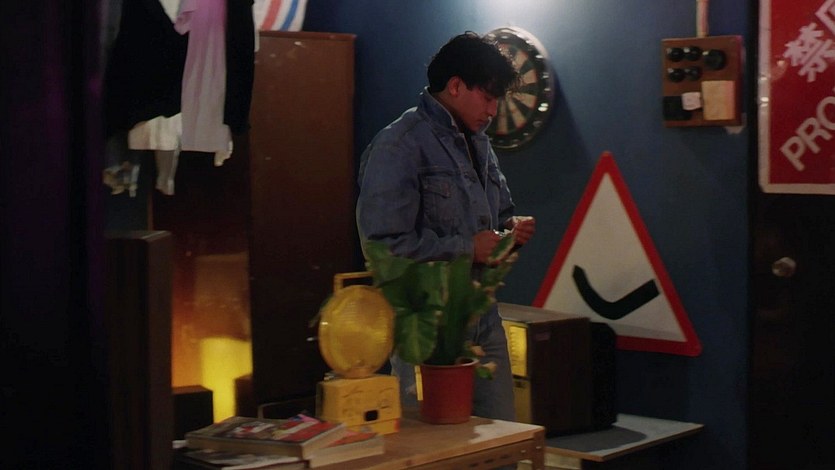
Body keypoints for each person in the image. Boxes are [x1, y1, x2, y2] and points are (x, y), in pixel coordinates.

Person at [355, 31, 536, 421]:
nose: (493, 111)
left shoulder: (479, 142)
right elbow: (382, 248)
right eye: (488, 97)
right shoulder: (398, 145)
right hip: (425, 329)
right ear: (455, 86)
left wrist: (511, 232)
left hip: (483, 318)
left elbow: (500, 214)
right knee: (433, 445)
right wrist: (468, 248)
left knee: (501, 441)